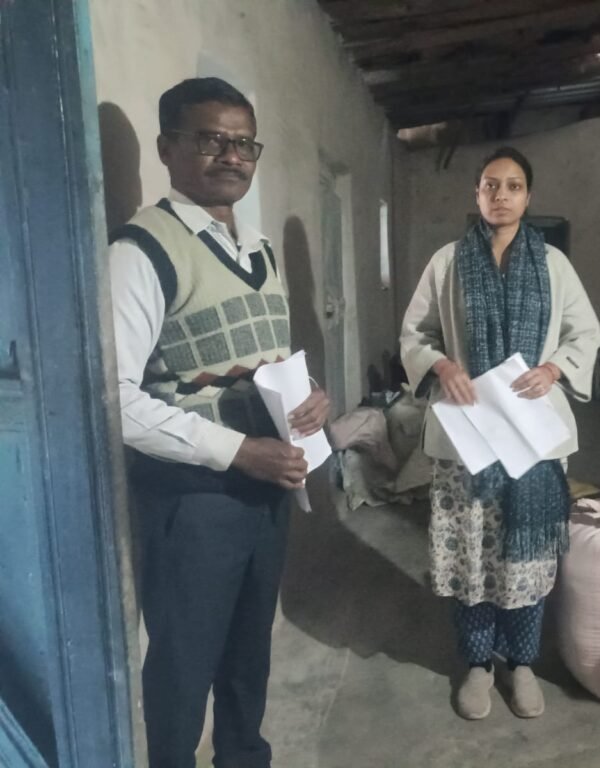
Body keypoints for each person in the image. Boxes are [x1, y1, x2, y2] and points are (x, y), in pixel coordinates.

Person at [109, 77, 329, 768]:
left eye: (244, 143)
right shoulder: (141, 251)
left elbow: (262, 360)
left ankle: (243, 757)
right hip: (194, 501)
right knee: (184, 664)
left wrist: (309, 396)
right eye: (211, 140)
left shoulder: (259, 250)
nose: (231, 156)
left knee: (248, 655)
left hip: (267, 489)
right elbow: (115, 399)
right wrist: (237, 451)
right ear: (167, 148)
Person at [400, 146, 600, 720]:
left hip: (532, 434)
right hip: (470, 433)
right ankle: (478, 664)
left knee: (525, 554)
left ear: (528, 196)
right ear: (477, 193)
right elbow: (415, 333)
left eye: (513, 186)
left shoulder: (553, 264)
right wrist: (442, 365)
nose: (501, 195)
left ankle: (521, 662)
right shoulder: (447, 262)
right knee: (472, 555)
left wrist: (554, 368)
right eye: (491, 185)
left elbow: (585, 332)